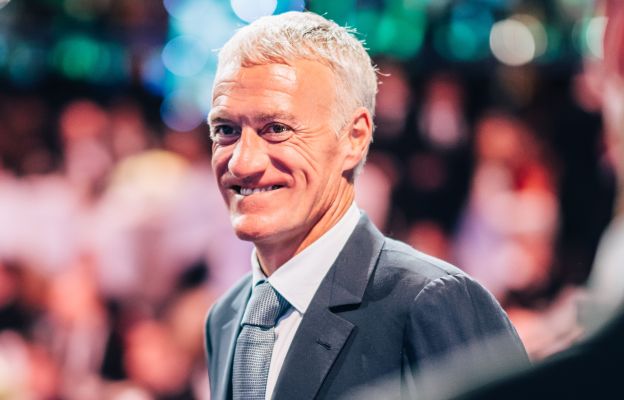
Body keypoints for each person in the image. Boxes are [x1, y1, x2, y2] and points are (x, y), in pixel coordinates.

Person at [203, 11, 527, 400]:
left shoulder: (432, 301)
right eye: (226, 130)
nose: (241, 163)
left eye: (276, 129)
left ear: (354, 138)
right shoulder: (226, 318)